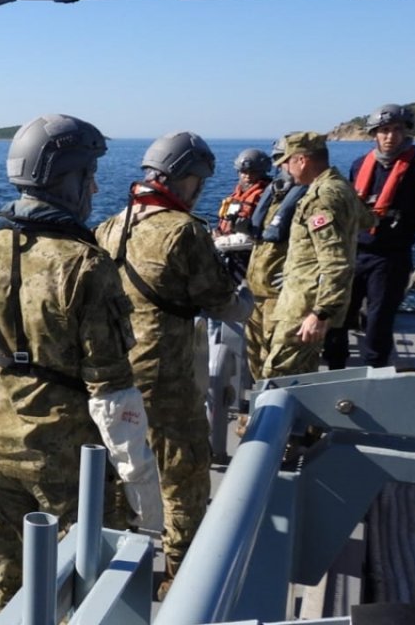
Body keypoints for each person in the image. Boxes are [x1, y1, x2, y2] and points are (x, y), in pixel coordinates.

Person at [0, 114, 162, 617]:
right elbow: (111, 389)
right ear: (69, 179)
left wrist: (1, 358)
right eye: (90, 175)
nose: (96, 186)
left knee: (7, 580)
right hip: (68, 456)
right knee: (85, 579)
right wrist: (142, 486)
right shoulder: (86, 265)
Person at [94, 131, 250, 597]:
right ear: (187, 180)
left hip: (115, 370)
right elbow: (223, 305)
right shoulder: (184, 231)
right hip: (168, 371)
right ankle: (181, 570)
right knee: (183, 466)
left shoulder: (108, 226)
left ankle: (119, 564)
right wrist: (244, 293)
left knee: (123, 464)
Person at [323, 104, 415, 369]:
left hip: (390, 259)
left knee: (378, 321)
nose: (390, 136)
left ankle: (373, 374)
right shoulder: (358, 166)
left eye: (396, 130)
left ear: (405, 132)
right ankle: (334, 369)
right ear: (374, 134)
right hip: (354, 254)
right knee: (338, 315)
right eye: (384, 130)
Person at [263, 132, 365, 377]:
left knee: (277, 375)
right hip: (308, 302)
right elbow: (367, 218)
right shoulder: (341, 187)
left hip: (305, 306)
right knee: (302, 377)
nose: (285, 169)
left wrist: (321, 312)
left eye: (286, 162)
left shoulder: (322, 198)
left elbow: (336, 260)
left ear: (302, 160)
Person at [244, 136, 310, 383]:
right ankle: (257, 413)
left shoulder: (313, 199)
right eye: (278, 161)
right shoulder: (275, 194)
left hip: (283, 295)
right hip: (256, 291)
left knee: (279, 367)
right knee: (256, 360)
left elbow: (331, 253)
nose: (282, 166)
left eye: (286, 161)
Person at [213, 148, 274, 277]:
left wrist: (218, 243)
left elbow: (258, 237)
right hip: (229, 251)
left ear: (262, 173)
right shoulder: (238, 194)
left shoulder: (266, 198)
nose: (247, 176)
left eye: (253, 172)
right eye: (243, 172)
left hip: (248, 257)